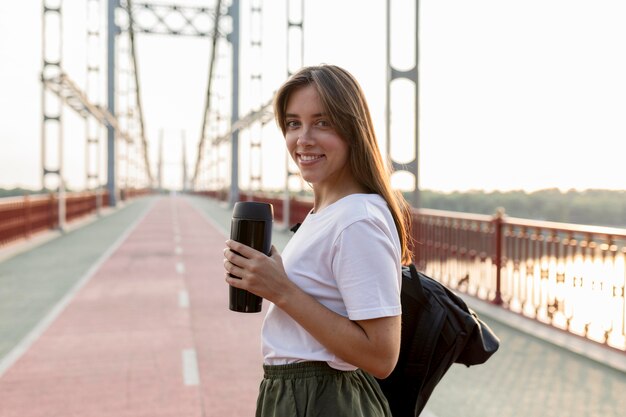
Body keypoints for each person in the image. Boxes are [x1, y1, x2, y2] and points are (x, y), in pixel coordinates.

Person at [223, 64, 413, 417]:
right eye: (293, 123)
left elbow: (382, 356)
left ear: (352, 130)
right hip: (296, 392)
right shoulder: (326, 214)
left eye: (322, 122)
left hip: (324, 397)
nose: (303, 138)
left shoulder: (357, 219)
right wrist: (267, 277)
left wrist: (280, 289)